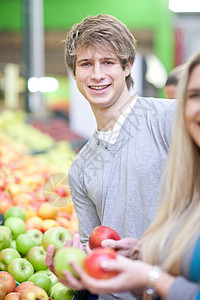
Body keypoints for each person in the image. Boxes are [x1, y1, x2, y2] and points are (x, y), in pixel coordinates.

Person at [46, 50, 200, 299]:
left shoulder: (173, 119)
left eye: (107, 62)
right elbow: (95, 252)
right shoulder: (81, 167)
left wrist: (151, 274)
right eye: (86, 64)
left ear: (127, 66)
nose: (97, 74)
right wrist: (75, 269)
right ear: (74, 74)